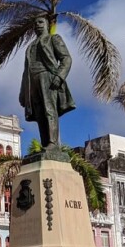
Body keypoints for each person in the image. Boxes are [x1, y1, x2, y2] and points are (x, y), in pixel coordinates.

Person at [19, 17, 75, 149]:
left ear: (47, 24)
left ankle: (53, 143)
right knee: (39, 113)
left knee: (49, 109)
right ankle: (45, 143)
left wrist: (60, 76)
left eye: (40, 22)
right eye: (35, 23)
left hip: (47, 76)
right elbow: (25, 71)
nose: (37, 25)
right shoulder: (30, 46)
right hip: (32, 81)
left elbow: (66, 58)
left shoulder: (53, 39)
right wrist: (23, 92)